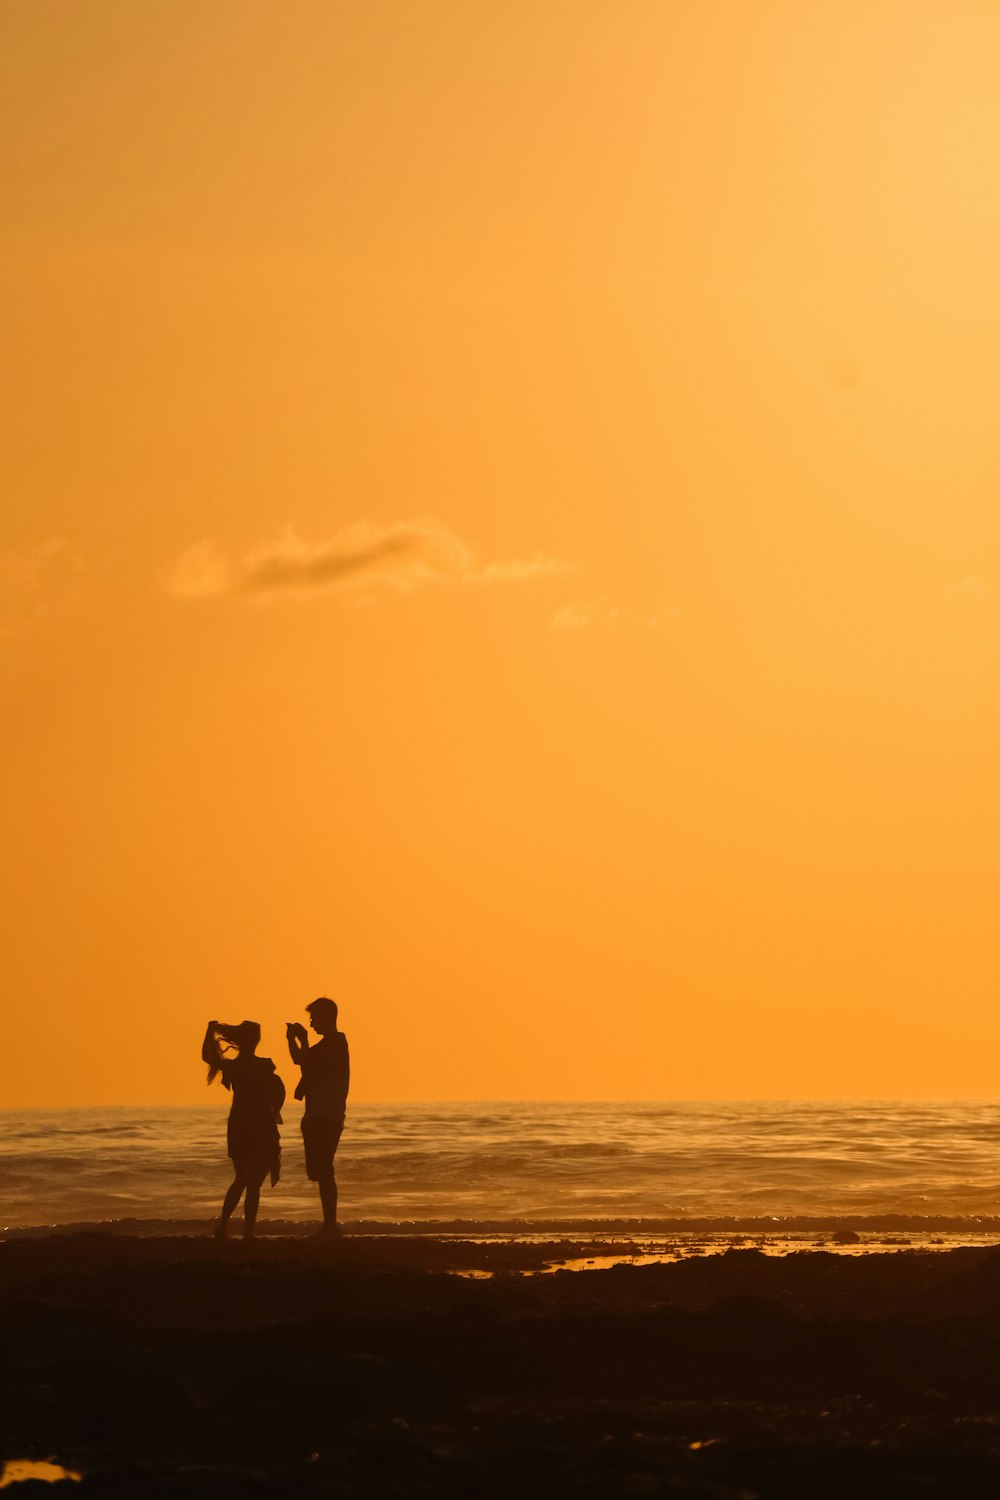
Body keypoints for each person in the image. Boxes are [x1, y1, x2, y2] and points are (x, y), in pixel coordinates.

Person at [202, 1020, 285, 1241]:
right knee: (253, 1183)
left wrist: (209, 1032)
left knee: (241, 1179)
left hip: (239, 1125)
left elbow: (208, 1057)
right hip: (259, 1126)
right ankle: (247, 1232)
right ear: (256, 1041)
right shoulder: (264, 1066)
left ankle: (223, 1227)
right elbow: (278, 1093)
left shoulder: (235, 1067)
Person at [286, 997, 350, 1236]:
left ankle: (330, 1225)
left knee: (324, 1169)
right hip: (317, 1114)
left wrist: (297, 1040)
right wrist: (299, 1040)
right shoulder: (326, 1046)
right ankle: (329, 1223)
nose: (312, 1023)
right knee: (319, 1170)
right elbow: (303, 1063)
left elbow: (302, 1060)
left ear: (326, 1017)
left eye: (314, 1018)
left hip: (328, 1115)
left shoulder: (335, 1043)